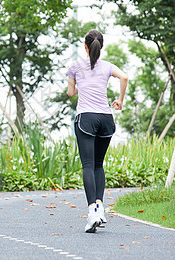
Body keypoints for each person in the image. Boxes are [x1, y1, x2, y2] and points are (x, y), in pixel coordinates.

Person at [66, 30, 128, 233]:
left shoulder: (75, 66)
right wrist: (120, 100)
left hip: (87, 118)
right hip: (105, 118)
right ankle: (100, 207)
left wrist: (77, 85)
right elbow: (124, 77)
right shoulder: (108, 66)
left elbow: (70, 93)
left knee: (88, 165)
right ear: (100, 47)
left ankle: (92, 211)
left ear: (85, 47)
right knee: (99, 165)